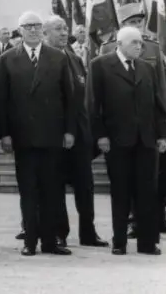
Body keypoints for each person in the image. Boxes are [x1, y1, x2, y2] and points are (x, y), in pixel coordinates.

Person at [0, 11, 75, 257]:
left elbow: (70, 97)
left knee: (52, 189)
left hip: (52, 134)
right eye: (28, 26)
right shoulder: (7, 59)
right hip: (23, 136)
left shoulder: (58, 57)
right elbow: (1, 99)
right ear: (19, 30)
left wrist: (69, 130)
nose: (33, 30)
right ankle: (30, 240)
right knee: (28, 191)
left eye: (37, 26)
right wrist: (4, 134)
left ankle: (51, 241)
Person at [90, 26, 166, 256]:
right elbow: (94, 105)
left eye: (140, 43)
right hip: (117, 140)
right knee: (121, 192)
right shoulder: (101, 65)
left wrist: (162, 134)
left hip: (146, 140)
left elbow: (158, 104)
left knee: (147, 192)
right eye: (134, 42)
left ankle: (147, 242)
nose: (139, 46)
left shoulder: (147, 67)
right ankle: (120, 241)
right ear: (119, 44)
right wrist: (101, 135)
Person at [42, 15, 107, 249]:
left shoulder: (75, 58)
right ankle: (60, 233)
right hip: (56, 134)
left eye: (64, 29)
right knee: (56, 186)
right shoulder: (44, 59)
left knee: (85, 185)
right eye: (57, 29)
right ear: (44, 33)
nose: (63, 33)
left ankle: (88, 233)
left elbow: (83, 99)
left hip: (79, 133)